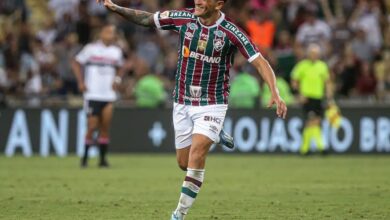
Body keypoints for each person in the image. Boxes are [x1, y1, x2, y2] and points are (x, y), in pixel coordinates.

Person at [96, 0, 287, 219]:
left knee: (197, 156)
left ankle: (179, 214)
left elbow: (260, 61)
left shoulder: (230, 31)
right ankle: (216, 136)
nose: (198, 1)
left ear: (218, 4)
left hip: (213, 102)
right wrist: (117, 8)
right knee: (184, 163)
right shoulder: (183, 18)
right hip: (182, 101)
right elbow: (147, 19)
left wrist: (275, 91)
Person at [71, 24, 124, 168]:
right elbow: (76, 63)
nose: (110, 35)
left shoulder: (116, 51)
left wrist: (117, 80)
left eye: (112, 32)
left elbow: (121, 67)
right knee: (92, 126)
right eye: (107, 31)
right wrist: (81, 82)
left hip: (108, 95)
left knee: (105, 127)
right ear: (101, 33)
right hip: (92, 94)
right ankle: (85, 159)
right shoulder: (90, 49)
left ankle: (102, 160)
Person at [291, 43, 332, 155]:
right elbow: (294, 81)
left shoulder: (322, 66)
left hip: (318, 98)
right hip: (307, 98)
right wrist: (299, 94)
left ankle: (304, 149)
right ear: (308, 54)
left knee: (314, 122)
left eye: (316, 53)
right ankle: (321, 147)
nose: (314, 55)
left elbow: (327, 83)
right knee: (312, 121)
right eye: (312, 53)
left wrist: (329, 97)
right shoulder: (302, 66)